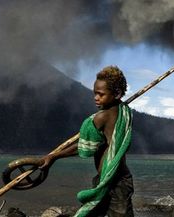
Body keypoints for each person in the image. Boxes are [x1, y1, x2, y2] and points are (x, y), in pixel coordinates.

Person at [42, 66, 134, 217]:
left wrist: (54, 156)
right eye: (95, 93)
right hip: (111, 179)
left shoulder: (101, 117)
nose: (96, 98)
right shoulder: (124, 111)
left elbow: (83, 147)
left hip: (116, 182)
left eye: (101, 94)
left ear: (117, 94)